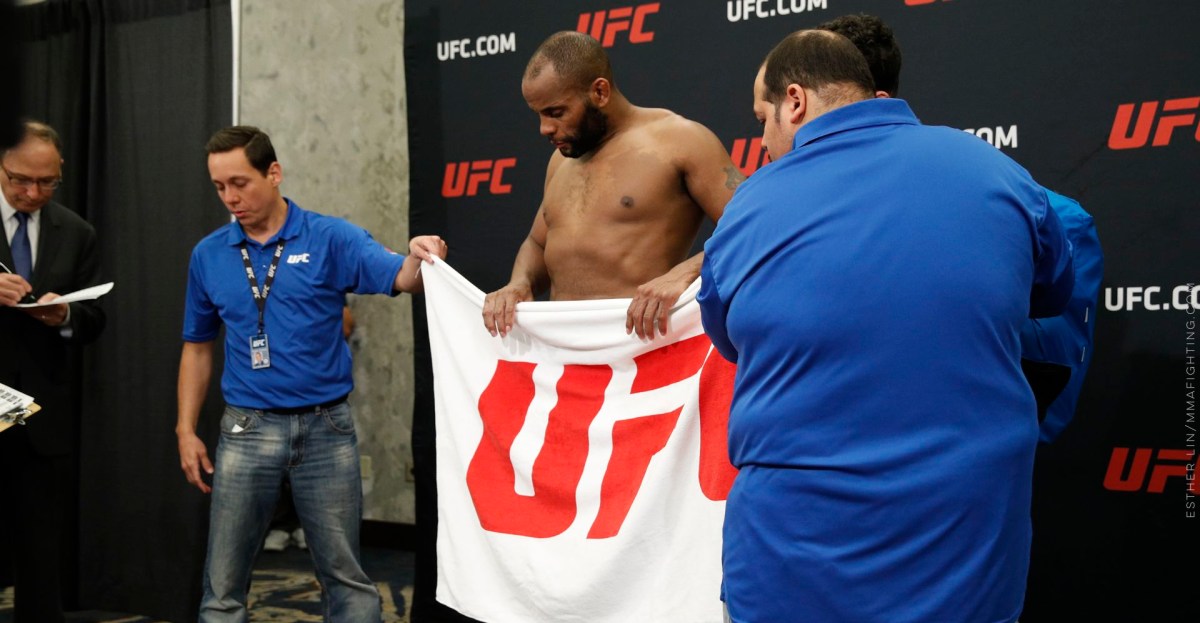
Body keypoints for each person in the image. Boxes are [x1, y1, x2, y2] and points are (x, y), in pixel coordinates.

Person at [697, 31, 1073, 622]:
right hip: (964, 552)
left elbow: (727, 337)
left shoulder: (750, 205)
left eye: (762, 119)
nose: (763, 143)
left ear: (794, 102)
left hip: (791, 561)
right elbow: (1052, 290)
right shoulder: (996, 170)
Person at [175, 125, 447, 622]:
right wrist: (185, 428)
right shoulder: (209, 254)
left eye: (240, 183)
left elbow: (403, 278)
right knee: (223, 585)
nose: (230, 198)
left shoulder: (330, 238)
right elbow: (196, 346)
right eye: (219, 187)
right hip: (246, 429)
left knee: (347, 582)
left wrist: (418, 254)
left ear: (273, 173)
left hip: (326, 430)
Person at [818, 13, 1104, 443]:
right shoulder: (791, 217)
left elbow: (1051, 394)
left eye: (807, 104)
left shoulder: (1054, 217)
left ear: (871, 102)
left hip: (959, 472)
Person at [481, 30, 742, 339]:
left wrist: (683, 275)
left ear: (600, 92)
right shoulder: (560, 160)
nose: (545, 128)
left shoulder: (682, 141)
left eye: (556, 112)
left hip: (641, 351)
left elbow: (750, 229)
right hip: (560, 354)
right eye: (539, 114)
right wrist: (520, 283)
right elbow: (537, 243)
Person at [0, 120, 107, 622]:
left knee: (41, 558)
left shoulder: (77, 231)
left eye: (46, 182)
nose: (32, 192)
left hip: (42, 415)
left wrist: (65, 315)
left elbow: (96, 317)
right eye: (19, 179)